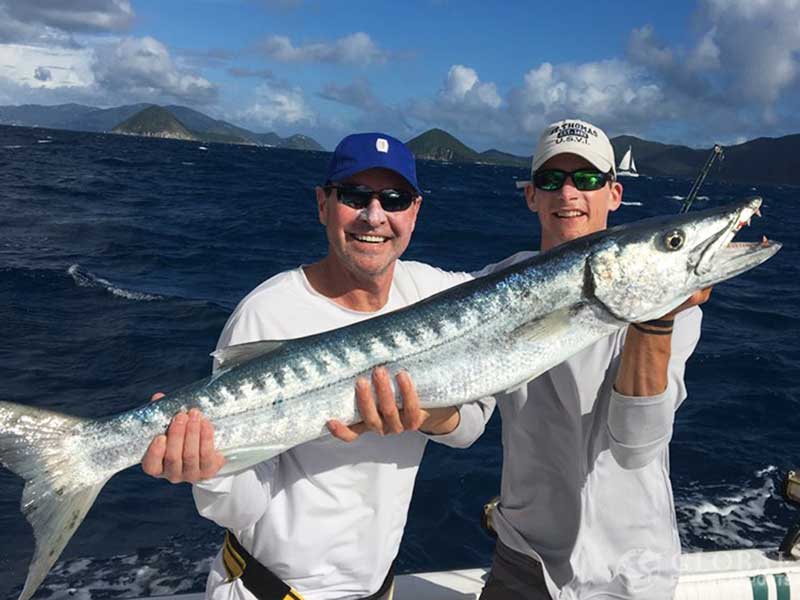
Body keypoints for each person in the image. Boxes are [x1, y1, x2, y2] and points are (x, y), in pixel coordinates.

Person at [140, 132, 494, 600]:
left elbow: (472, 422)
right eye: (353, 196)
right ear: (323, 204)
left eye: (394, 198)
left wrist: (429, 415)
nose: (374, 215)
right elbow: (242, 506)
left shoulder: (436, 293)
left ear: (414, 211)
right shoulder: (267, 312)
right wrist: (208, 469)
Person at [476, 119, 708, 600]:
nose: (568, 193)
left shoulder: (673, 307)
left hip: (631, 571)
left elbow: (635, 444)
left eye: (586, 180)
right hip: (524, 558)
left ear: (614, 193)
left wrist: (654, 318)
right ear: (531, 195)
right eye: (550, 179)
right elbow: (463, 420)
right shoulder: (492, 285)